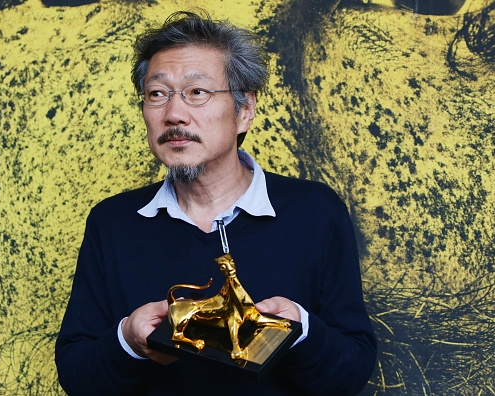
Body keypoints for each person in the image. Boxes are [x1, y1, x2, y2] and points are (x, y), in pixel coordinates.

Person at [55, 10, 377, 396]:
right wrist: (128, 339)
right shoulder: (113, 222)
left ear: (244, 110)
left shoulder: (315, 212)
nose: (174, 114)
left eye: (197, 92)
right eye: (157, 94)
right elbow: (78, 378)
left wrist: (300, 327)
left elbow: (351, 374)